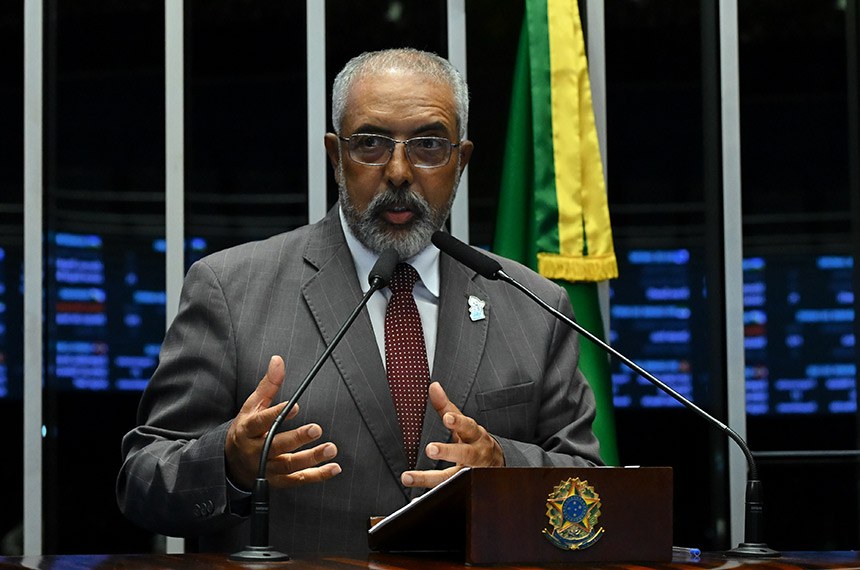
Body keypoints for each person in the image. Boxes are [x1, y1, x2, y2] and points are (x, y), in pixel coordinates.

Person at [117, 48, 602, 555]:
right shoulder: (231, 289)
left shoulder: (532, 305)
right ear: (335, 155)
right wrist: (229, 463)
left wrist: (504, 467)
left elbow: (591, 486)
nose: (397, 171)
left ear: (461, 161)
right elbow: (143, 478)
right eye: (369, 143)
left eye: (429, 145)